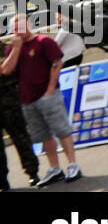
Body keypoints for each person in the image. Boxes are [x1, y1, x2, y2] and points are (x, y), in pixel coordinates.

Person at [0, 14, 81, 186]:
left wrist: (51, 88)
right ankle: (55, 168)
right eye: (15, 29)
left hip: (48, 95)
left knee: (62, 130)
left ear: (28, 25)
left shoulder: (44, 41)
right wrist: (16, 48)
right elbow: (6, 70)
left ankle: (73, 165)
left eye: (20, 27)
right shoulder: (14, 47)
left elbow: (57, 63)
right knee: (44, 134)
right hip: (27, 99)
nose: (18, 31)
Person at [0, 41, 41, 190]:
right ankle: (2, 180)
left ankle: (32, 172)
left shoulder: (7, 48)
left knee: (21, 138)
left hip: (10, 101)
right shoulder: (11, 49)